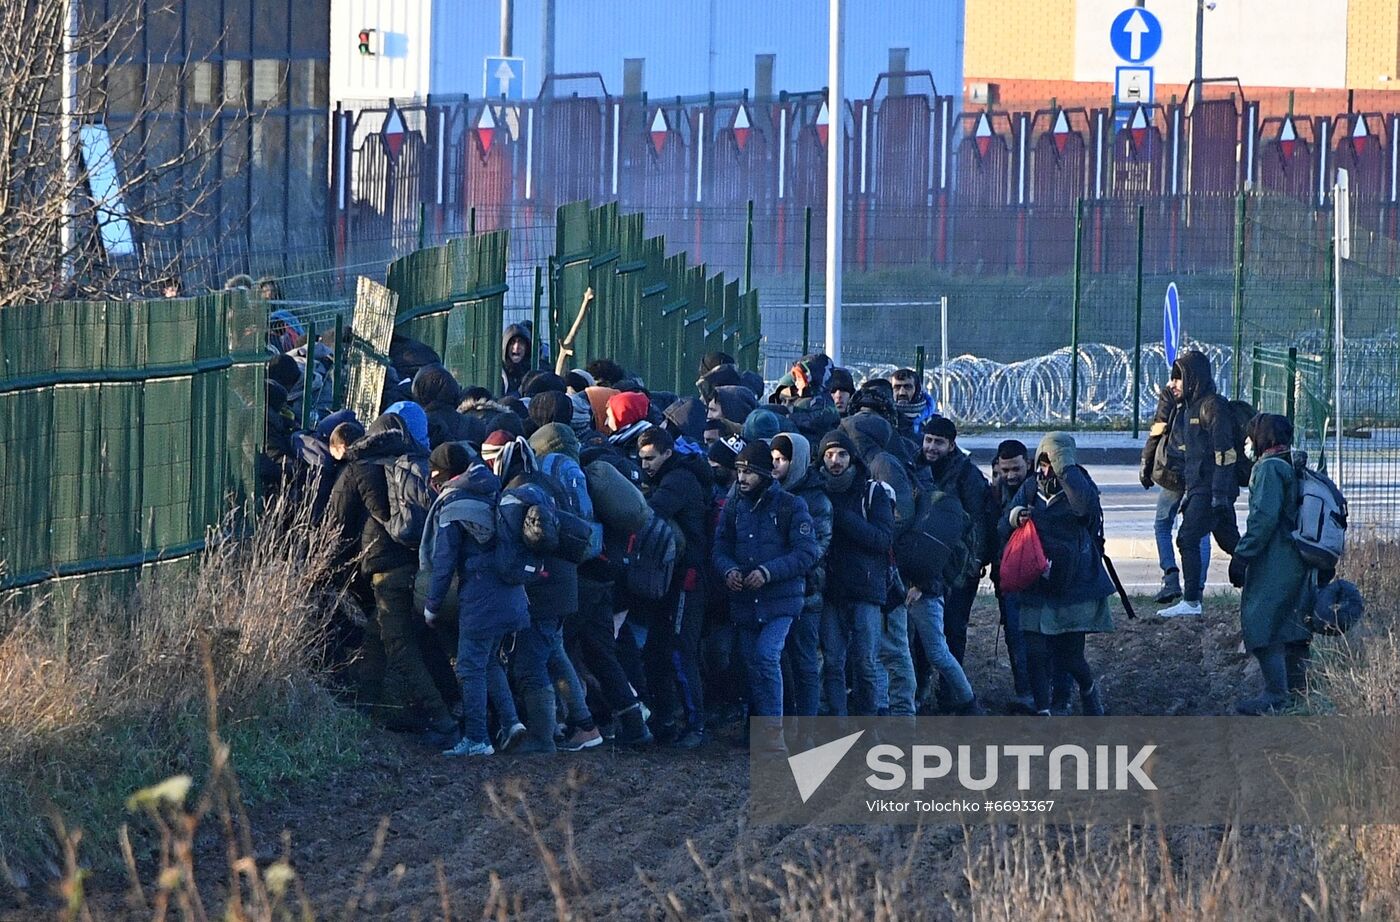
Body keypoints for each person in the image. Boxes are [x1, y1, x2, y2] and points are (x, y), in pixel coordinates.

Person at [327, 414, 457, 743]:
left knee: (399, 644)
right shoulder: (416, 461)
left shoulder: (360, 467)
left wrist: (327, 568)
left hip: (387, 568)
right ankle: (368, 708)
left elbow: (335, 522)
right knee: (380, 633)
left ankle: (443, 719)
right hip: (422, 563)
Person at [421, 443, 529, 757]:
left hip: (480, 598)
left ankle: (477, 738)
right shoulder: (492, 488)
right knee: (490, 661)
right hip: (510, 593)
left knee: (469, 667)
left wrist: (431, 606)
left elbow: (443, 564)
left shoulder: (453, 505)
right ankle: (511, 723)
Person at [1000, 433, 1114, 716]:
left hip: (1073, 584)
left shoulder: (1081, 485)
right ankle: (1043, 712)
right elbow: (1004, 523)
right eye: (1044, 459)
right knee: (1035, 653)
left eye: (1053, 459)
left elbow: (1084, 510)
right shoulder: (1029, 487)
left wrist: (1066, 471)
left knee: (1071, 656)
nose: (1047, 466)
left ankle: (1088, 690)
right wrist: (1016, 517)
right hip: (1036, 581)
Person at [713, 441, 819, 739]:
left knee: (767, 657)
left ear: (764, 473)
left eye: (748, 472)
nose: (742, 478)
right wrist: (728, 569)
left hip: (781, 601)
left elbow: (806, 553)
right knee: (751, 666)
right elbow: (720, 546)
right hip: (746, 601)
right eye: (739, 471)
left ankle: (774, 733)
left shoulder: (790, 505)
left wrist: (767, 572)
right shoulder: (735, 506)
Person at [1228, 414, 1313, 715]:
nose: (1247, 442)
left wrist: (1242, 555)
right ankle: (1300, 693)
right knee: (1293, 623)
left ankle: (1275, 694)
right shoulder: (1293, 463)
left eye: (1251, 436)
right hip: (1298, 556)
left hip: (1275, 557)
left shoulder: (1268, 470)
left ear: (1263, 438)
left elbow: (1263, 519)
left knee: (1262, 620)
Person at [636, 427, 710, 747]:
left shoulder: (678, 480)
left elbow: (651, 510)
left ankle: (695, 725)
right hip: (678, 576)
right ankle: (669, 718)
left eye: (650, 458)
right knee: (660, 649)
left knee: (681, 651)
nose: (645, 465)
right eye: (641, 459)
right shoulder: (675, 475)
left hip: (688, 578)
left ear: (667, 453)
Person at [1158, 351, 1241, 617]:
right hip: (1200, 489)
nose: (1172, 385)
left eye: (1178, 379)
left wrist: (1218, 495)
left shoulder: (1212, 406)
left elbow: (1224, 453)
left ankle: (1191, 601)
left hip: (1211, 490)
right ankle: (1267, 586)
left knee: (1187, 538)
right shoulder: (1190, 408)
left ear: (1193, 378)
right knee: (1233, 544)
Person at [818, 429, 895, 717]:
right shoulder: (818, 493)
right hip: (831, 590)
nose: (835, 461)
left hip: (865, 589)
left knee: (865, 663)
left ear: (852, 458)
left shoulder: (871, 492)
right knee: (834, 662)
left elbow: (882, 538)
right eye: (828, 455)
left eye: (841, 454)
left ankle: (868, 723)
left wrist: (843, 518)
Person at [918, 416, 991, 669]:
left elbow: (979, 521)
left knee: (954, 628)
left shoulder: (967, 475)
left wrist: (974, 563)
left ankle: (952, 694)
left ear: (951, 446)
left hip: (960, 566)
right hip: (927, 563)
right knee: (922, 630)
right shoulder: (917, 467)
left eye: (939, 442)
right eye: (928, 440)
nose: (931, 447)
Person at [771, 434, 832, 717]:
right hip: (776, 589)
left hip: (808, 591)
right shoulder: (771, 493)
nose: (775, 465)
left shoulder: (816, 499)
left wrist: (781, 564)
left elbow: (816, 548)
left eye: (782, 460)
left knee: (805, 660)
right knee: (778, 660)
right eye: (772, 459)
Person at [1140, 381, 1211, 604]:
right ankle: (1197, 587)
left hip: (1173, 472)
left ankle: (1171, 577)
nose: (1172, 383)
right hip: (1199, 473)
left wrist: (1146, 462)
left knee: (1162, 524)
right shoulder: (1209, 398)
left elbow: (1158, 428)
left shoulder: (1171, 397)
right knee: (1201, 532)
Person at [889, 368, 939, 443]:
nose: (902, 393)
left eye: (907, 387)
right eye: (897, 387)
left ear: (917, 390)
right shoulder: (886, 419)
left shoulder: (934, 421)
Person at [500, 322, 536, 398]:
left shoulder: (535, 369)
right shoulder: (499, 374)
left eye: (521, 342)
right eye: (512, 343)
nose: (516, 347)